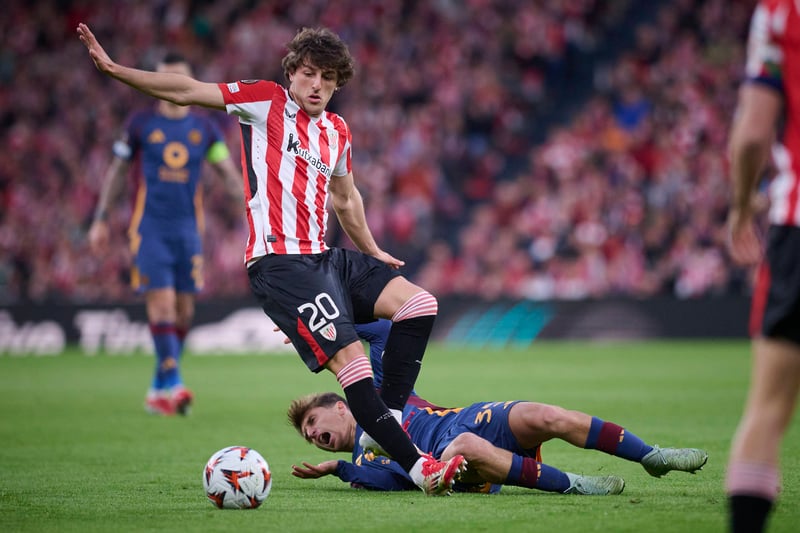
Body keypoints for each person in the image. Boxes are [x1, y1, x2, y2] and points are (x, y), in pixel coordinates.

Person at [78, 23, 465, 495]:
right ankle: (421, 468)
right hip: (279, 263)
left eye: (328, 77)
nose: (317, 84)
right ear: (291, 74)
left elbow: (346, 199)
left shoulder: (337, 131)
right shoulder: (265, 101)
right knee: (353, 364)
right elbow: (186, 90)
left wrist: (371, 250)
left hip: (325, 258)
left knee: (419, 305)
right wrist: (115, 69)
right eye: (309, 73)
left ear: (338, 83)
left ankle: (387, 421)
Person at [87, 52, 242, 416]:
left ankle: (158, 386)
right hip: (150, 229)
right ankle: (174, 384)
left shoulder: (206, 129)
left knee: (184, 312)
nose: (170, 87)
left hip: (189, 231)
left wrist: (253, 211)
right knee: (162, 305)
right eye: (164, 80)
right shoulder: (140, 124)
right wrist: (101, 218)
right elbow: (117, 171)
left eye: (178, 80)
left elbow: (228, 174)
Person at [287, 391, 709, 495]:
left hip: (469, 417)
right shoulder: (362, 466)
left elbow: (383, 329)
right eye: (309, 437)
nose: (314, 436)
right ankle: (576, 484)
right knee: (465, 446)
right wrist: (339, 469)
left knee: (548, 415)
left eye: (312, 422)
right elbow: (399, 483)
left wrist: (326, 336)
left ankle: (651, 456)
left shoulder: (383, 394)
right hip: (454, 457)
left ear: (340, 406)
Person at [725, 1, 800, 531]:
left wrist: (740, 205)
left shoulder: (779, 12)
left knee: (768, 409)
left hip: (797, 225)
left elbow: (753, 134)